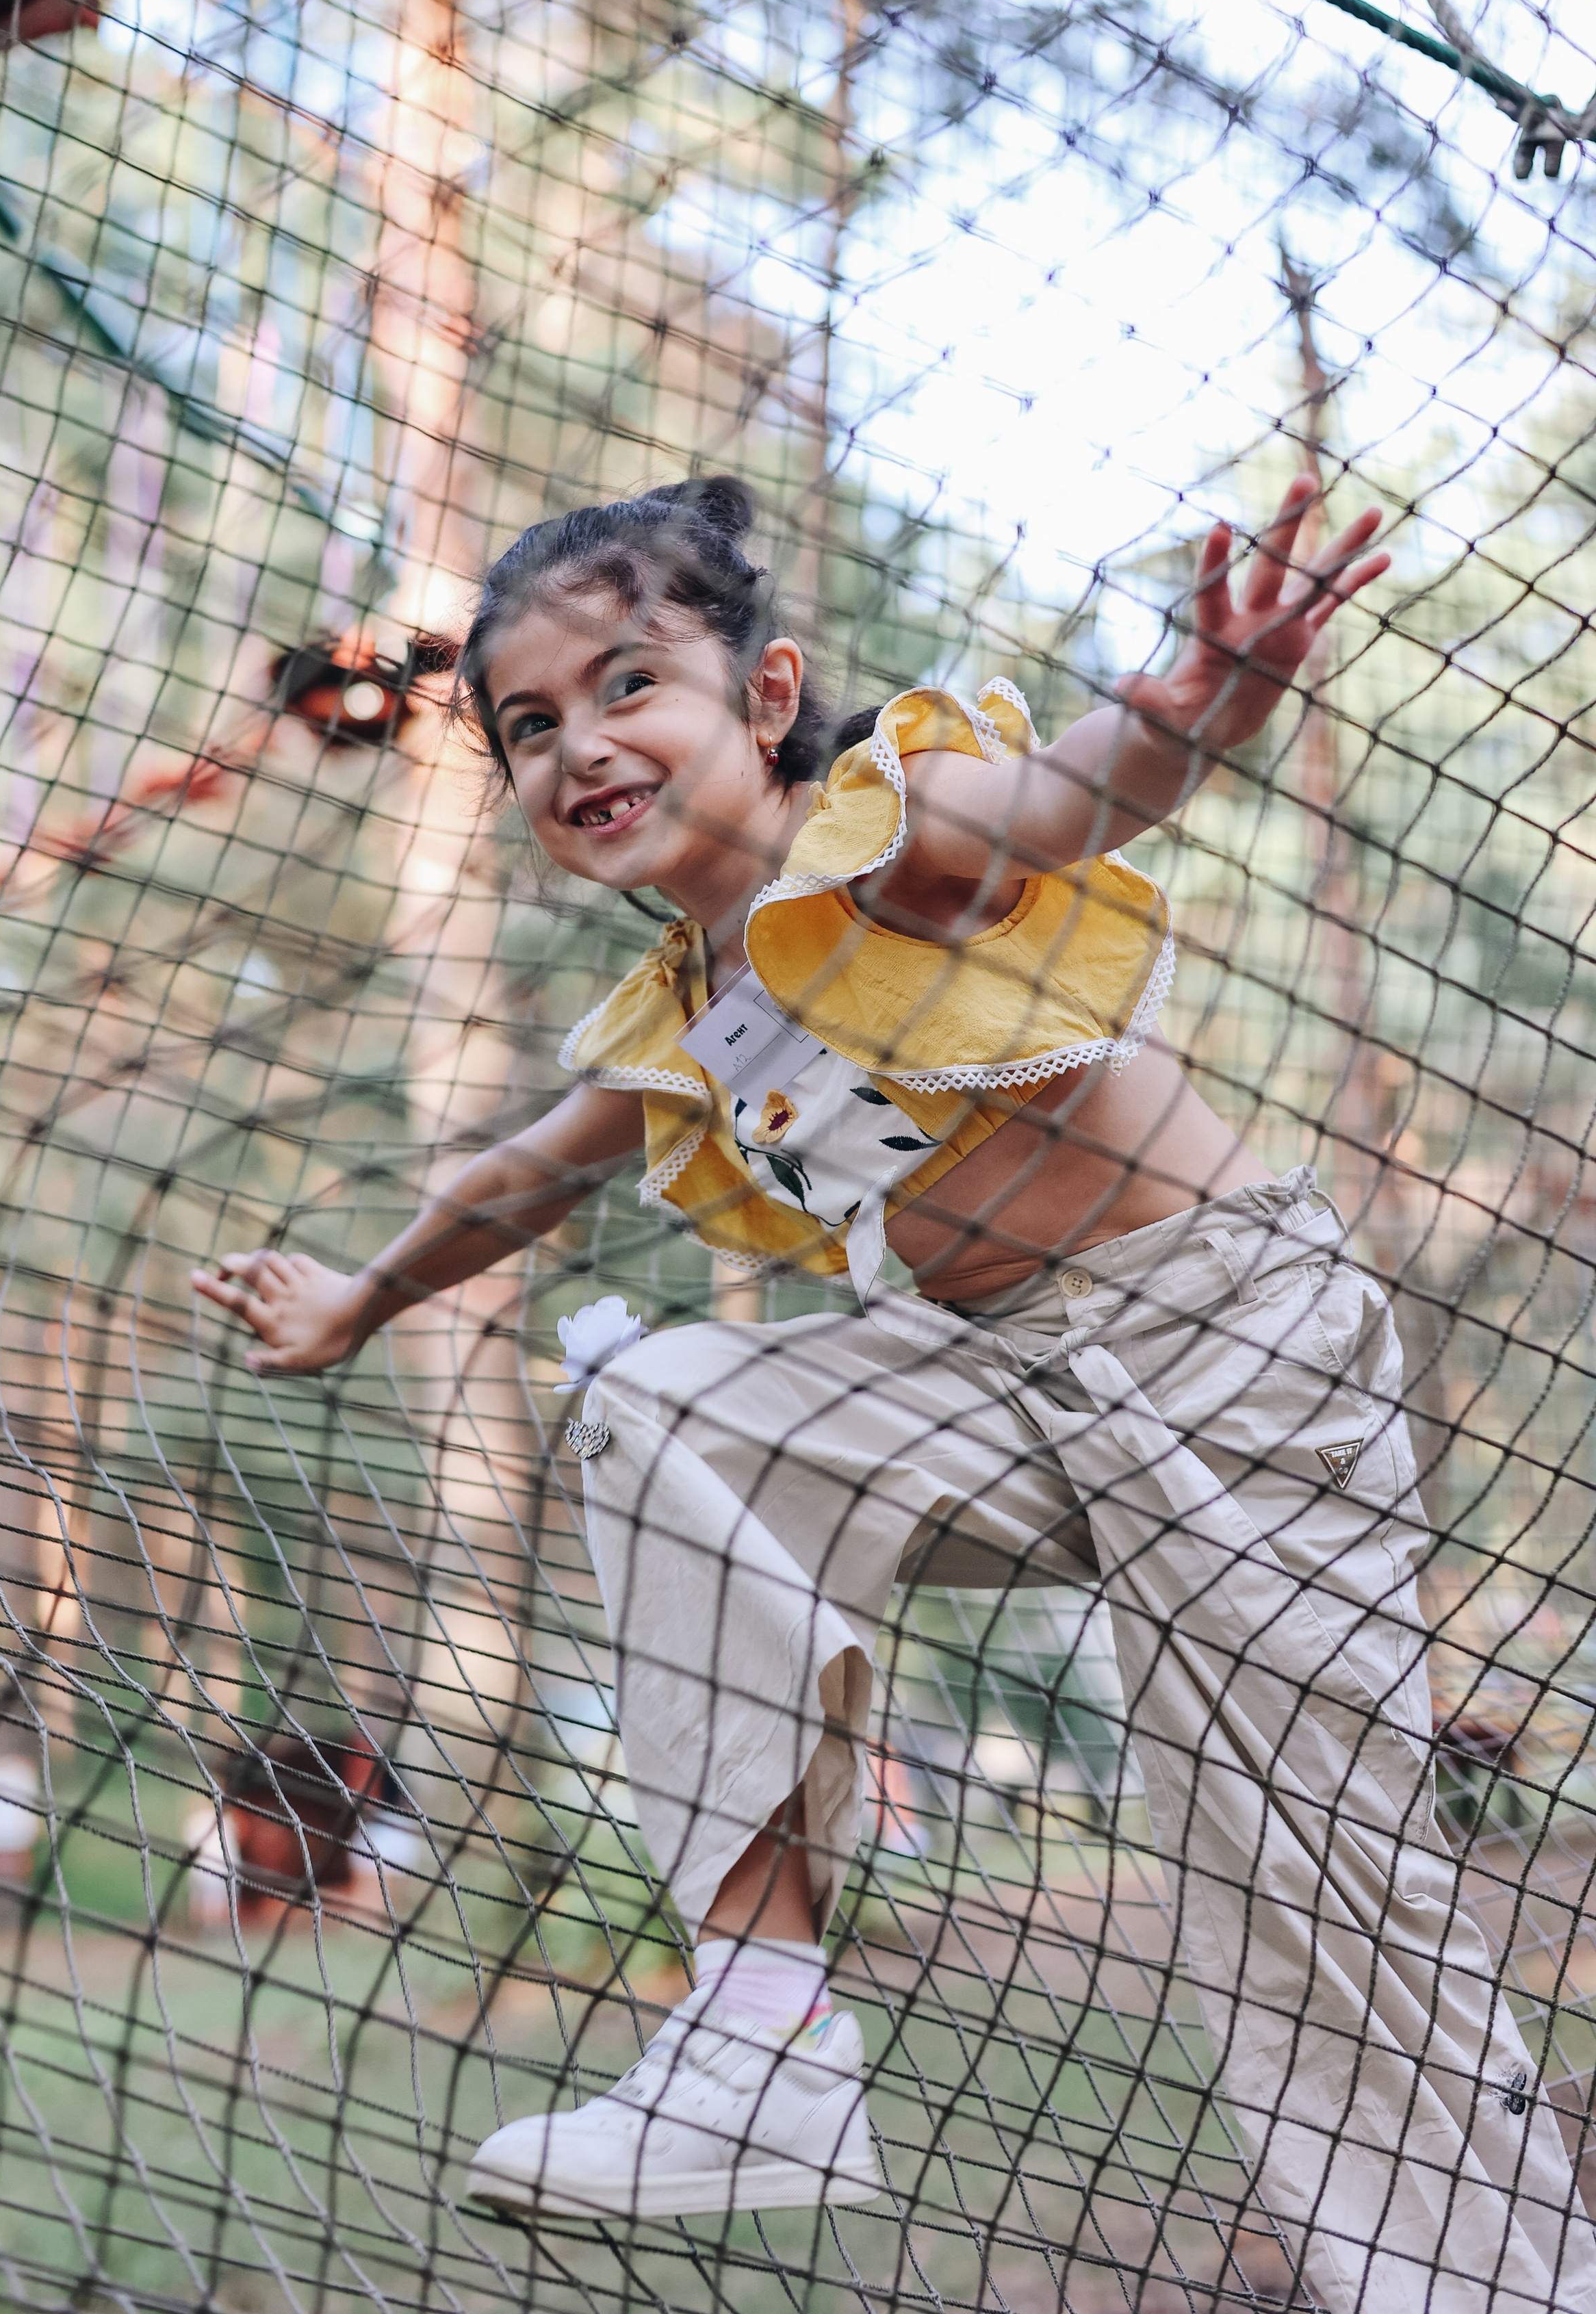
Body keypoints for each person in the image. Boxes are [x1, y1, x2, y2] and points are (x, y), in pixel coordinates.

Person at [194, 477, 1593, 2310]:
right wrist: (363, 1298)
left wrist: (1201, 705)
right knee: (668, 1406)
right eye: (528, 725)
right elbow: (520, 1177)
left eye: (629, 687)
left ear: (767, 697)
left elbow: (1071, 795)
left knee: (1308, 1904)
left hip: (1232, 1365)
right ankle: (763, 2045)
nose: (579, 745)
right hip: (989, 1386)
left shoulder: (889, 828)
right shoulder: (690, 1009)